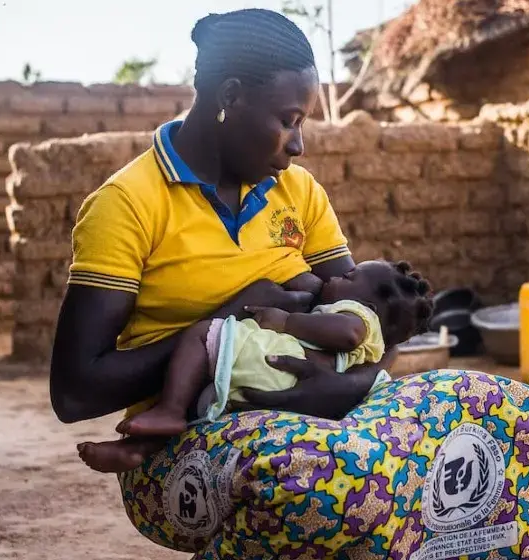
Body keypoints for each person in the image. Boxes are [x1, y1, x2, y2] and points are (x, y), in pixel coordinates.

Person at [49, 8, 395, 472]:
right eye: (289, 120)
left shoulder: (300, 192)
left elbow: (373, 315)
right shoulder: (128, 204)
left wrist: (352, 384)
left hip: (315, 422)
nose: (298, 146)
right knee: (335, 481)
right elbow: (75, 393)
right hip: (187, 439)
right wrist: (231, 318)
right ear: (230, 94)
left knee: (473, 406)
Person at [78, 260, 434, 473]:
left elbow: (348, 332)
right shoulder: (370, 332)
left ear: (367, 303)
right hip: (277, 386)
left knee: (205, 336)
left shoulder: (358, 318)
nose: (337, 278)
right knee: (199, 398)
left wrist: (285, 321)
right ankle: (138, 449)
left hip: (272, 365)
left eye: (349, 277)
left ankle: (168, 409)